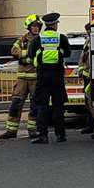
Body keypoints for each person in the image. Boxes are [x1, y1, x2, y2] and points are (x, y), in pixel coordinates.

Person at [0, 14, 42, 140]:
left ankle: (32, 130)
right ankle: (11, 130)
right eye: (34, 26)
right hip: (22, 80)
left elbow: (41, 56)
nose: (36, 28)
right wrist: (28, 55)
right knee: (16, 104)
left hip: (35, 78)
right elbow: (14, 51)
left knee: (35, 105)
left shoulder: (41, 40)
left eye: (38, 26)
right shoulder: (22, 40)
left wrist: (26, 56)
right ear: (29, 27)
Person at [30, 11, 69, 144]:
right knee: (58, 106)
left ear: (46, 24)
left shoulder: (38, 38)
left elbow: (31, 55)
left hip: (43, 76)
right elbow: (68, 53)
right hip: (57, 76)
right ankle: (60, 135)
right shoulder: (61, 38)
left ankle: (43, 136)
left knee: (42, 106)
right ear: (55, 24)